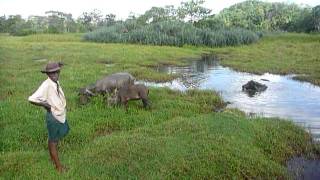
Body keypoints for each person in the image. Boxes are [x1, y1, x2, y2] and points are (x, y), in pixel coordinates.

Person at [28, 62, 69, 172]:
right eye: (51, 73)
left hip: (59, 113)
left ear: (59, 72)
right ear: (47, 74)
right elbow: (32, 99)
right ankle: (59, 167)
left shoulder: (55, 82)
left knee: (54, 138)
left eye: (56, 72)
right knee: (53, 141)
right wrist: (45, 105)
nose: (54, 75)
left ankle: (52, 158)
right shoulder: (46, 85)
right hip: (53, 116)